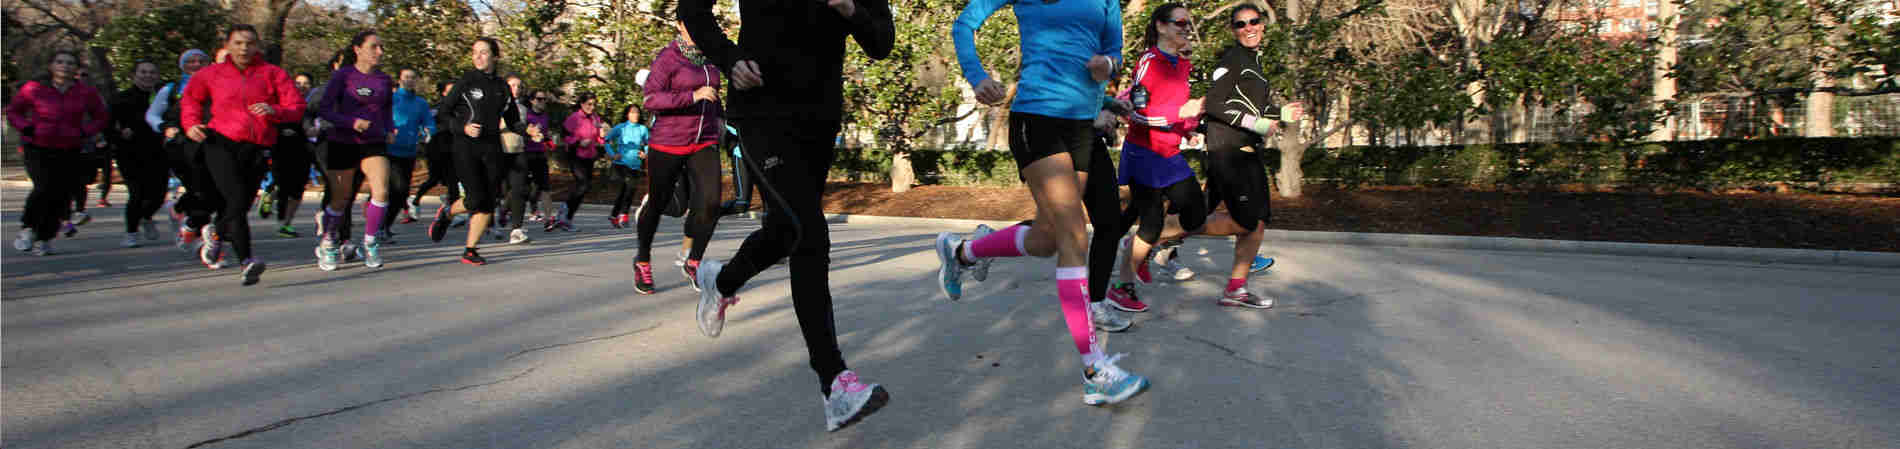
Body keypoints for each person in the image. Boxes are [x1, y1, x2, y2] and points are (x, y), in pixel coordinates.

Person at [679, 0, 894, 432]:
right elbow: (692, 8)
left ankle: (719, 282)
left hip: (819, 118)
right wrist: (731, 59)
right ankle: (835, 384)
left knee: (785, 231)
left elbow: (882, 42)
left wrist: (852, 11)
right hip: (762, 109)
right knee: (808, 233)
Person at [946, 0, 1150, 406]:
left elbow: (1115, 52)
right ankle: (1094, 369)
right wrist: (976, 74)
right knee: (1075, 232)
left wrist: (1107, 66)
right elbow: (965, 23)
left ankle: (964, 252)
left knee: (1047, 239)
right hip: (1036, 118)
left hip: (1082, 127)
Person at [178, 23, 307, 285]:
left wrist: (274, 111)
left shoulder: (272, 73)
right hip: (220, 143)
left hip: (257, 147)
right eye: (238, 43)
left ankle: (215, 235)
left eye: (249, 43)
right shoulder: (211, 73)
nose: (244, 48)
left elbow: (296, 106)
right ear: (227, 45)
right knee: (235, 200)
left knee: (240, 205)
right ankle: (247, 260)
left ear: (257, 46)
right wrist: (190, 124)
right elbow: (191, 99)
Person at [1195, 3, 1298, 307]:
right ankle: (1157, 235)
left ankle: (1235, 288)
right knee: (1248, 221)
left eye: (1254, 22)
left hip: (1244, 149)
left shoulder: (1253, 61)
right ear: (1233, 30)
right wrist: (1258, 123)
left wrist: (1281, 113)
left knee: (1257, 220)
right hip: (1230, 151)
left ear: (1263, 24)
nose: (1249, 28)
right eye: (1241, 24)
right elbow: (1214, 103)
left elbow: (1254, 109)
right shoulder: (1233, 59)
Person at [632, 20, 727, 295]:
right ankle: (642, 260)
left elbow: (715, 95)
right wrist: (693, 96)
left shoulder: (711, 57)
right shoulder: (668, 58)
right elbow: (651, 99)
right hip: (668, 142)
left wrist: (718, 119)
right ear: (680, 25)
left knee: (711, 203)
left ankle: (694, 261)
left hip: (704, 141)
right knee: (658, 203)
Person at [427, 37, 533, 265]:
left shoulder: (502, 87)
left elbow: (513, 119)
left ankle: (470, 249)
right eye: (475, 52)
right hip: (465, 147)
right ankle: (448, 213)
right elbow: (443, 114)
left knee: (487, 201)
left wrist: (528, 131)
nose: (478, 56)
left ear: (495, 56)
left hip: (492, 148)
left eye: (483, 52)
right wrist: (462, 127)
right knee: (475, 197)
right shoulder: (466, 81)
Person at [8, 50, 108, 256]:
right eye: (60, 62)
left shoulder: (86, 93)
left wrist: (85, 132)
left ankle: (44, 237)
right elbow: (13, 111)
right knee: (43, 187)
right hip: (37, 146)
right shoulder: (34, 88)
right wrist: (26, 128)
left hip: (69, 147)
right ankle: (27, 228)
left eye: (71, 63)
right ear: (51, 66)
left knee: (60, 194)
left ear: (76, 69)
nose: (65, 66)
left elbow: (101, 117)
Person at [312, 30, 397, 271]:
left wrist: (390, 129)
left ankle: (370, 242)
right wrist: (351, 122)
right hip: (343, 139)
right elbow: (325, 110)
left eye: (381, 47)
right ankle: (328, 241)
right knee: (341, 198)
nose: (379, 52)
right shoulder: (343, 76)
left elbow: (387, 111)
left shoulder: (384, 80)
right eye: (373, 47)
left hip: (373, 141)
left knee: (381, 191)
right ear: (357, 49)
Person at [146, 48, 215, 252]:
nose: (195, 65)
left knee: (209, 189)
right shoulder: (171, 88)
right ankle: (199, 235)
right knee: (199, 188)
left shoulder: (215, 86)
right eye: (190, 61)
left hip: (209, 143)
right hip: (180, 146)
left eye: (200, 61)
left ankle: (182, 212)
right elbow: (152, 114)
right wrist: (164, 128)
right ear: (182, 65)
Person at [108, 61, 169, 248]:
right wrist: (120, 134)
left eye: (152, 72)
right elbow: (107, 126)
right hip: (130, 153)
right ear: (134, 75)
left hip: (158, 151)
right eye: (143, 72)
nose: (147, 76)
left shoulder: (164, 98)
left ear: (157, 76)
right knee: (137, 193)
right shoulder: (121, 98)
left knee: (159, 194)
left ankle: (146, 216)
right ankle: (131, 233)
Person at [503, 88, 558, 243]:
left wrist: (547, 140)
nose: (543, 102)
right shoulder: (525, 114)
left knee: (545, 187)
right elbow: (519, 132)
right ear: (532, 100)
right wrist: (530, 135)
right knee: (522, 189)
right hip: (525, 154)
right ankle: (504, 209)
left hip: (540, 155)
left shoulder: (545, 117)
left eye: (545, 99)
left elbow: (544, 135)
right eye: (540, 99)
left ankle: (549, 220)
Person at [384, 68, 434, 234]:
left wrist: (427, 131)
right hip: (390, 151)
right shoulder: (390, 99)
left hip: (410, 152)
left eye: (413, 77)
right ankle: (380, 226)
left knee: (401, 192)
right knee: (397, 189)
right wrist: (387, 131)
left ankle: (384, 226)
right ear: (399, 79)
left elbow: (429, 123)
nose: (409, 80)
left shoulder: (421, 103)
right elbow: (378, 118)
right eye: (406, 77)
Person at [412, 81, 462, 217]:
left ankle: (452, 210)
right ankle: (415, 201)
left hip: (454, 150)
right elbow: (428, 126)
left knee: (453, 181)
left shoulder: (462, 108)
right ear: (444, 93)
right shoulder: (437, 109)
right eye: (451, 90)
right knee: (434, 179)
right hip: (437, 149)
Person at [559, 93, 606, 226]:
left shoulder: (595, 118)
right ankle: (565, 210)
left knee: (585, 187)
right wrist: (578, 142)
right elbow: (564, 135)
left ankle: (568, 216)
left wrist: (602, 137)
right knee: (583, 184)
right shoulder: (574, 118)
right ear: (582, 104)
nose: (592, 107)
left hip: (589, 156)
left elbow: (598, 137)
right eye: (589, 104)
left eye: (594, 104)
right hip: (575, 155)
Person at [602, 103, 649, 229]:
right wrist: (612, 154)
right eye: (633, 112)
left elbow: (648, 143)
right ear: (627, 114)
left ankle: (613, 215)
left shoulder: (643, 129)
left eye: (637, 112)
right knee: (630, 187)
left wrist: (645, 153)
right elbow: (606, 141)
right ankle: (624, 215)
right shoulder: (621, 127)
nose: (636, 114)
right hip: (621, 163)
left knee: (625, 190)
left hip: (635, 165)